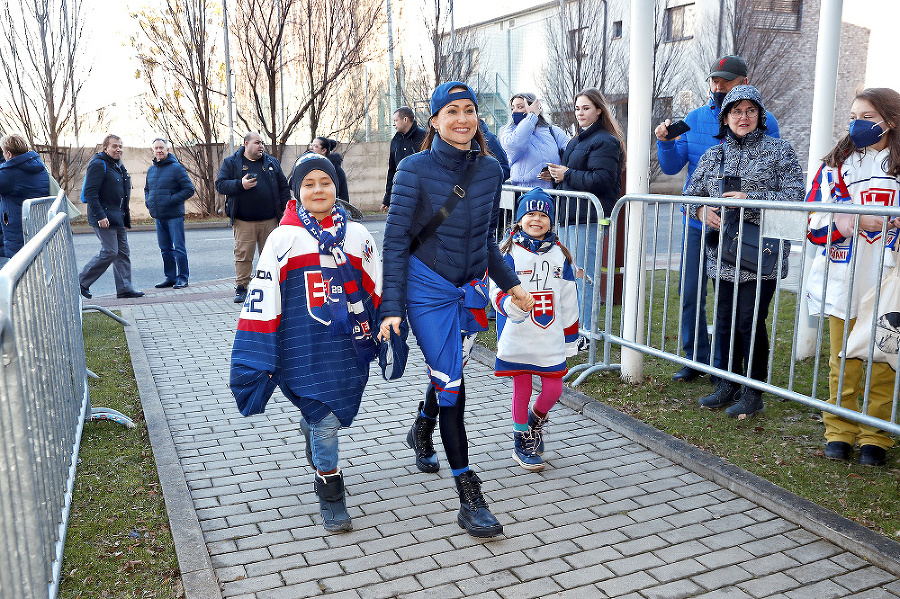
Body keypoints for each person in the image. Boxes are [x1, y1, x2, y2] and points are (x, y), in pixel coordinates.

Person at [379, 81, 534, 539]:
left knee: (452, 370)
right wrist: (392, 307)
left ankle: (421, 429)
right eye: (452, 112)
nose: (463, 119)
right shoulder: (411, 169)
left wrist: (512, 284)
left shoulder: (488, 171)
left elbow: (484, 240)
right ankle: (469, 495)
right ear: (435, 121)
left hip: (470, 288)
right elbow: (394, 242)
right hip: (426, 290)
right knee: (452, 383)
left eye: (469, 110)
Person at [230, 152, 381, 532]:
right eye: (309, 184)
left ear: (336, 187)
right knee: (326, 419)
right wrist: (258, 351)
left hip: (346, 348)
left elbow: (376, 288)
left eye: (325, 182)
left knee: (324, 416)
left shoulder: (359, 236)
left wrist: (386, 330)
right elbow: (263, 298)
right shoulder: (283, 238)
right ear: (296, 193)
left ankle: (311, 430)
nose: (318, 189)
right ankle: (330, 491)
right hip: (301, 348)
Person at [655, 55, 781, 383]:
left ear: (744, 81)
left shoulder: (767, 122)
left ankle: (725, 367)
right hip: (700, 225)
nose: (718, 85)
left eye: (725, 80)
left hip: (744, 228)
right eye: (714, 80)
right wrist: (665, 144)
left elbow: (774, 174)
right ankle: (695, 359)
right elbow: (672, 169)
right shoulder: (695, 118)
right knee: (692, 291)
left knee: (733, 300)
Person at [686, 85, 803, 418]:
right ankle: (727, 384)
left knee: (750, 321)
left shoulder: (780, 151)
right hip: (723, 254)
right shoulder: (713, 155)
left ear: (761, 115)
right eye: (736, 111)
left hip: (760, 255)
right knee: (724, 321)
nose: (743, 117)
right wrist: (698, 212)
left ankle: (753, 391)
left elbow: (795, 197)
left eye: (750, 110)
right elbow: (690, 195)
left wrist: (750, 195)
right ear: (724, 117)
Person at [805, 88, 900, 467]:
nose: (856, 123)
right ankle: (839, 431)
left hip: (889, 282)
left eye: (867, 116)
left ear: (889, 121)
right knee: (842, 361)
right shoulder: (835, 165)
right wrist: (849, 221)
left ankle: (876, 435)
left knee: (884, 358)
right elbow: (813, 225)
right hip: (844, 276)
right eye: (852, 115)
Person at [491, 188, 579, 471]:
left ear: (551, 221)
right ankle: (521, 439)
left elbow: (568, 298)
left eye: (543, 215)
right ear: (519, 219)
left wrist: (570, 339)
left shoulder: (560, 255)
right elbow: (496, 289)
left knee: (554, 388)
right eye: (531, 213)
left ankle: (535, 420)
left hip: (550, 335)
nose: (537, 219)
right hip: (518, 333)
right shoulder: (507, 251)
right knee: (523, 385)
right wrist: (509, 305)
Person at [547, 88, 624, 332]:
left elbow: (602, 179)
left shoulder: (606, 141)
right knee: (572, 276)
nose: (580, 112)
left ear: (599, 110)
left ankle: (587, 331)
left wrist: (567, 173)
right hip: (570, 216)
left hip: (589, 217)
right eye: (577, 108)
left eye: (586, 108)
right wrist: (556, 175)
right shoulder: (576, 140)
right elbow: (577, 175)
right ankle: (574, 328)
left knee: (585, 277)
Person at [216, 132, 290, 304]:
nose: (261, 146)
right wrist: (239, 185)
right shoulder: (232, 163)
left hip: (270, 220)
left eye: (262, 143)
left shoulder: (272, 163)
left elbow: (283, 188)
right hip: (244, 221)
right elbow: (220, 185)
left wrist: (286, 212)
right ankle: (242, 288)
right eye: (257, 143)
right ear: (246, 144)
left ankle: (272, 286)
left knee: (271, 256)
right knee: (243, 256)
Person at [78, 135, 144, 300]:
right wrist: (100, 215)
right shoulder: (98, 165)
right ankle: (80, 282)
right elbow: (90, 193)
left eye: (120, 146)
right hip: (103, 217)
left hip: (118, 217)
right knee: (110, 251)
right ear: (105, 148)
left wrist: (126, 220)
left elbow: (124, 196)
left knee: (122, 253)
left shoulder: (118, 166)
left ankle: (125, 289)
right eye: (115, 146)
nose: (118, 149)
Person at [145, 138, 195, 289]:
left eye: (162, 148)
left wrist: (171, 200)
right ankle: (170, 277)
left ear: (167, 150)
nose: (159, 150)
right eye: (156, 148)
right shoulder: (151, 170)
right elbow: (147, 189)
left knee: (178, 248)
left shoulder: (177, 168)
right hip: (159, 215)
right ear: (153, 151)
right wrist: (149, 202)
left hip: (174, 215)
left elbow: (189, 189)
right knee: (165, 249)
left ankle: (183, 278)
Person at [498, 93, 569, 189]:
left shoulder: (553, 131)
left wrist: (558, 173)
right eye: (512, 108)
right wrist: (531, 117)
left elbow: (571, 155)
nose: (514, 111)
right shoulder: (508, 132)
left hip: (553, 193)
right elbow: (514, 145)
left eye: (520, 107)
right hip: (523, 194)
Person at [0, 134, 50, 257]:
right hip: (37, 223)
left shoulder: (10, 173)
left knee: (18, 267)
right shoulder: (38, 166)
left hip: (18, 230)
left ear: (9, 154)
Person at [382, 107, 427, 212]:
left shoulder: (424, 137)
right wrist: (387, 198)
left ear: (405, 120)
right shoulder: (395, 141)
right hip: (401, 194)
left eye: (396, 120)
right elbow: (392, 170)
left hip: (422, 195)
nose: (394, 124)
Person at [309, 137, 349, 203]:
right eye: (311, 145)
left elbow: (343, 195)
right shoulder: (307, 166)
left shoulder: (335, 169)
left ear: (323, 150)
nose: (311, 148)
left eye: (315, 146)